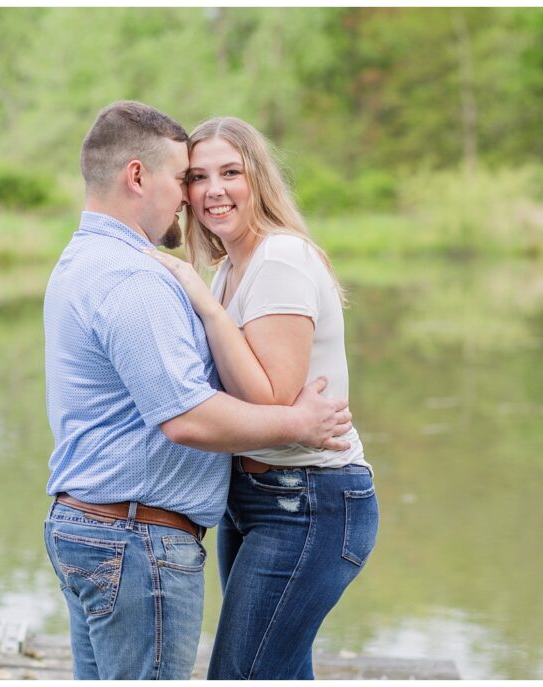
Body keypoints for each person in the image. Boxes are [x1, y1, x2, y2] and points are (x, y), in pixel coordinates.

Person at [42, 101, 354, 680]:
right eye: (188, 177)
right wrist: (298, 423)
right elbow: (186, 418)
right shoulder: (136, 275)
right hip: (133, 538)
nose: (194, 196)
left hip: (112, 528)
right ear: (138, 177)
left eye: (225, 173)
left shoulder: (86, 258)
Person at [146, 116, 379, 679]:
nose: (213, 190)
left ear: (259, 179)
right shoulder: (231, 269)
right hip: (255, 499)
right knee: (277, 670)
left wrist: (201, 300)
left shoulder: (278, 259)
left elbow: (273, 400)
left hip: (308, 502)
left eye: (231, 172)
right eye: (198, 177)